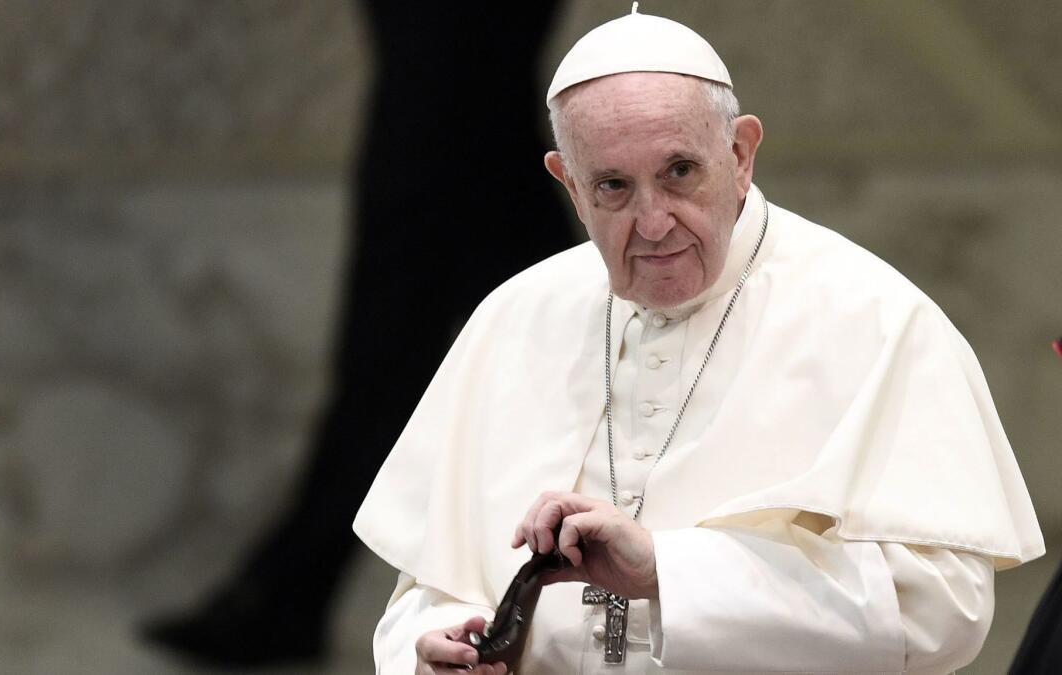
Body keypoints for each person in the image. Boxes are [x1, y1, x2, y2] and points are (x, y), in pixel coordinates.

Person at [353, 7, 1045, 674]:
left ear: (741, 154)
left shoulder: (879, 319)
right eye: (613, 187)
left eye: (679, 172)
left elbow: (944, 612)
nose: (652, 222)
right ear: (569, 184)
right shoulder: (511, 319)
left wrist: (665, 571)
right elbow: (426, 589)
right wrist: (429, 649)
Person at [139, 1, 574, 668]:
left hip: (443, 125)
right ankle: (289, 592)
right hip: (452, 118)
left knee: (410, 368)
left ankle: (288, 593)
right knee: (540, 352)